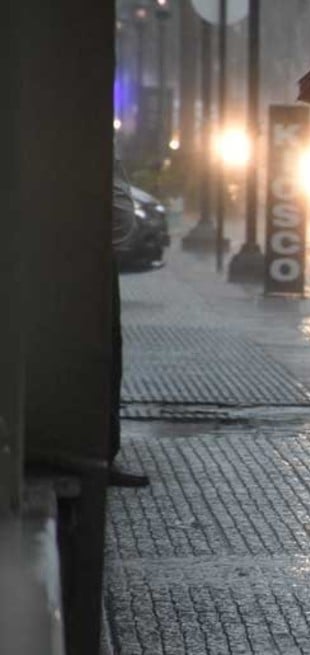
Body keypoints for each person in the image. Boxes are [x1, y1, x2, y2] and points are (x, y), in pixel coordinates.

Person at [109, 157, 150, 488]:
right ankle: (101, 453)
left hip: (104, 258)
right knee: (104, 354)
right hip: (90, 256)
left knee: (111, 353)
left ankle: (105, 451)